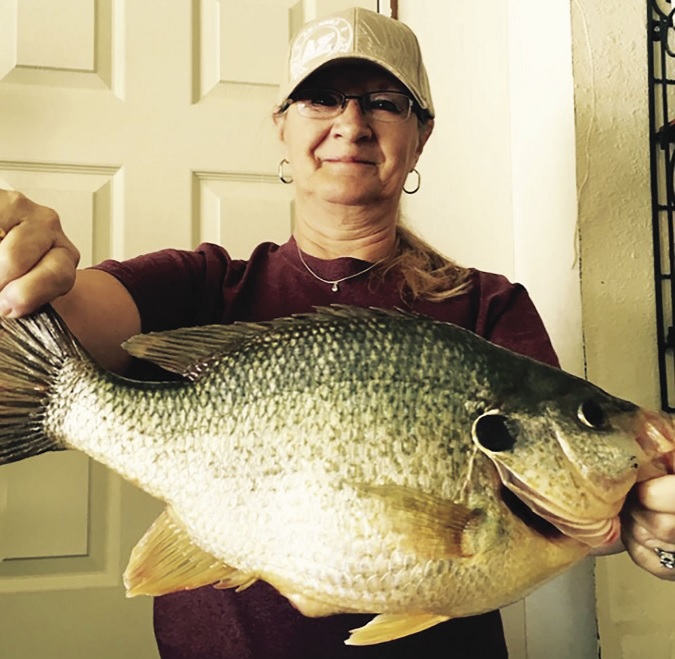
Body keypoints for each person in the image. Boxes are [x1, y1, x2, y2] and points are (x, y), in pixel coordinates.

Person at [0, 6, 673, 659]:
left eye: (382, 100)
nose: (350, 124)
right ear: (282, 128)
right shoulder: (202, 285)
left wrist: (648, 522)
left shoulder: (489, 308)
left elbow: (565, 507)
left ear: (421, 133)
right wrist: (31, 263)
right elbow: (66, 318)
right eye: (322, 99)